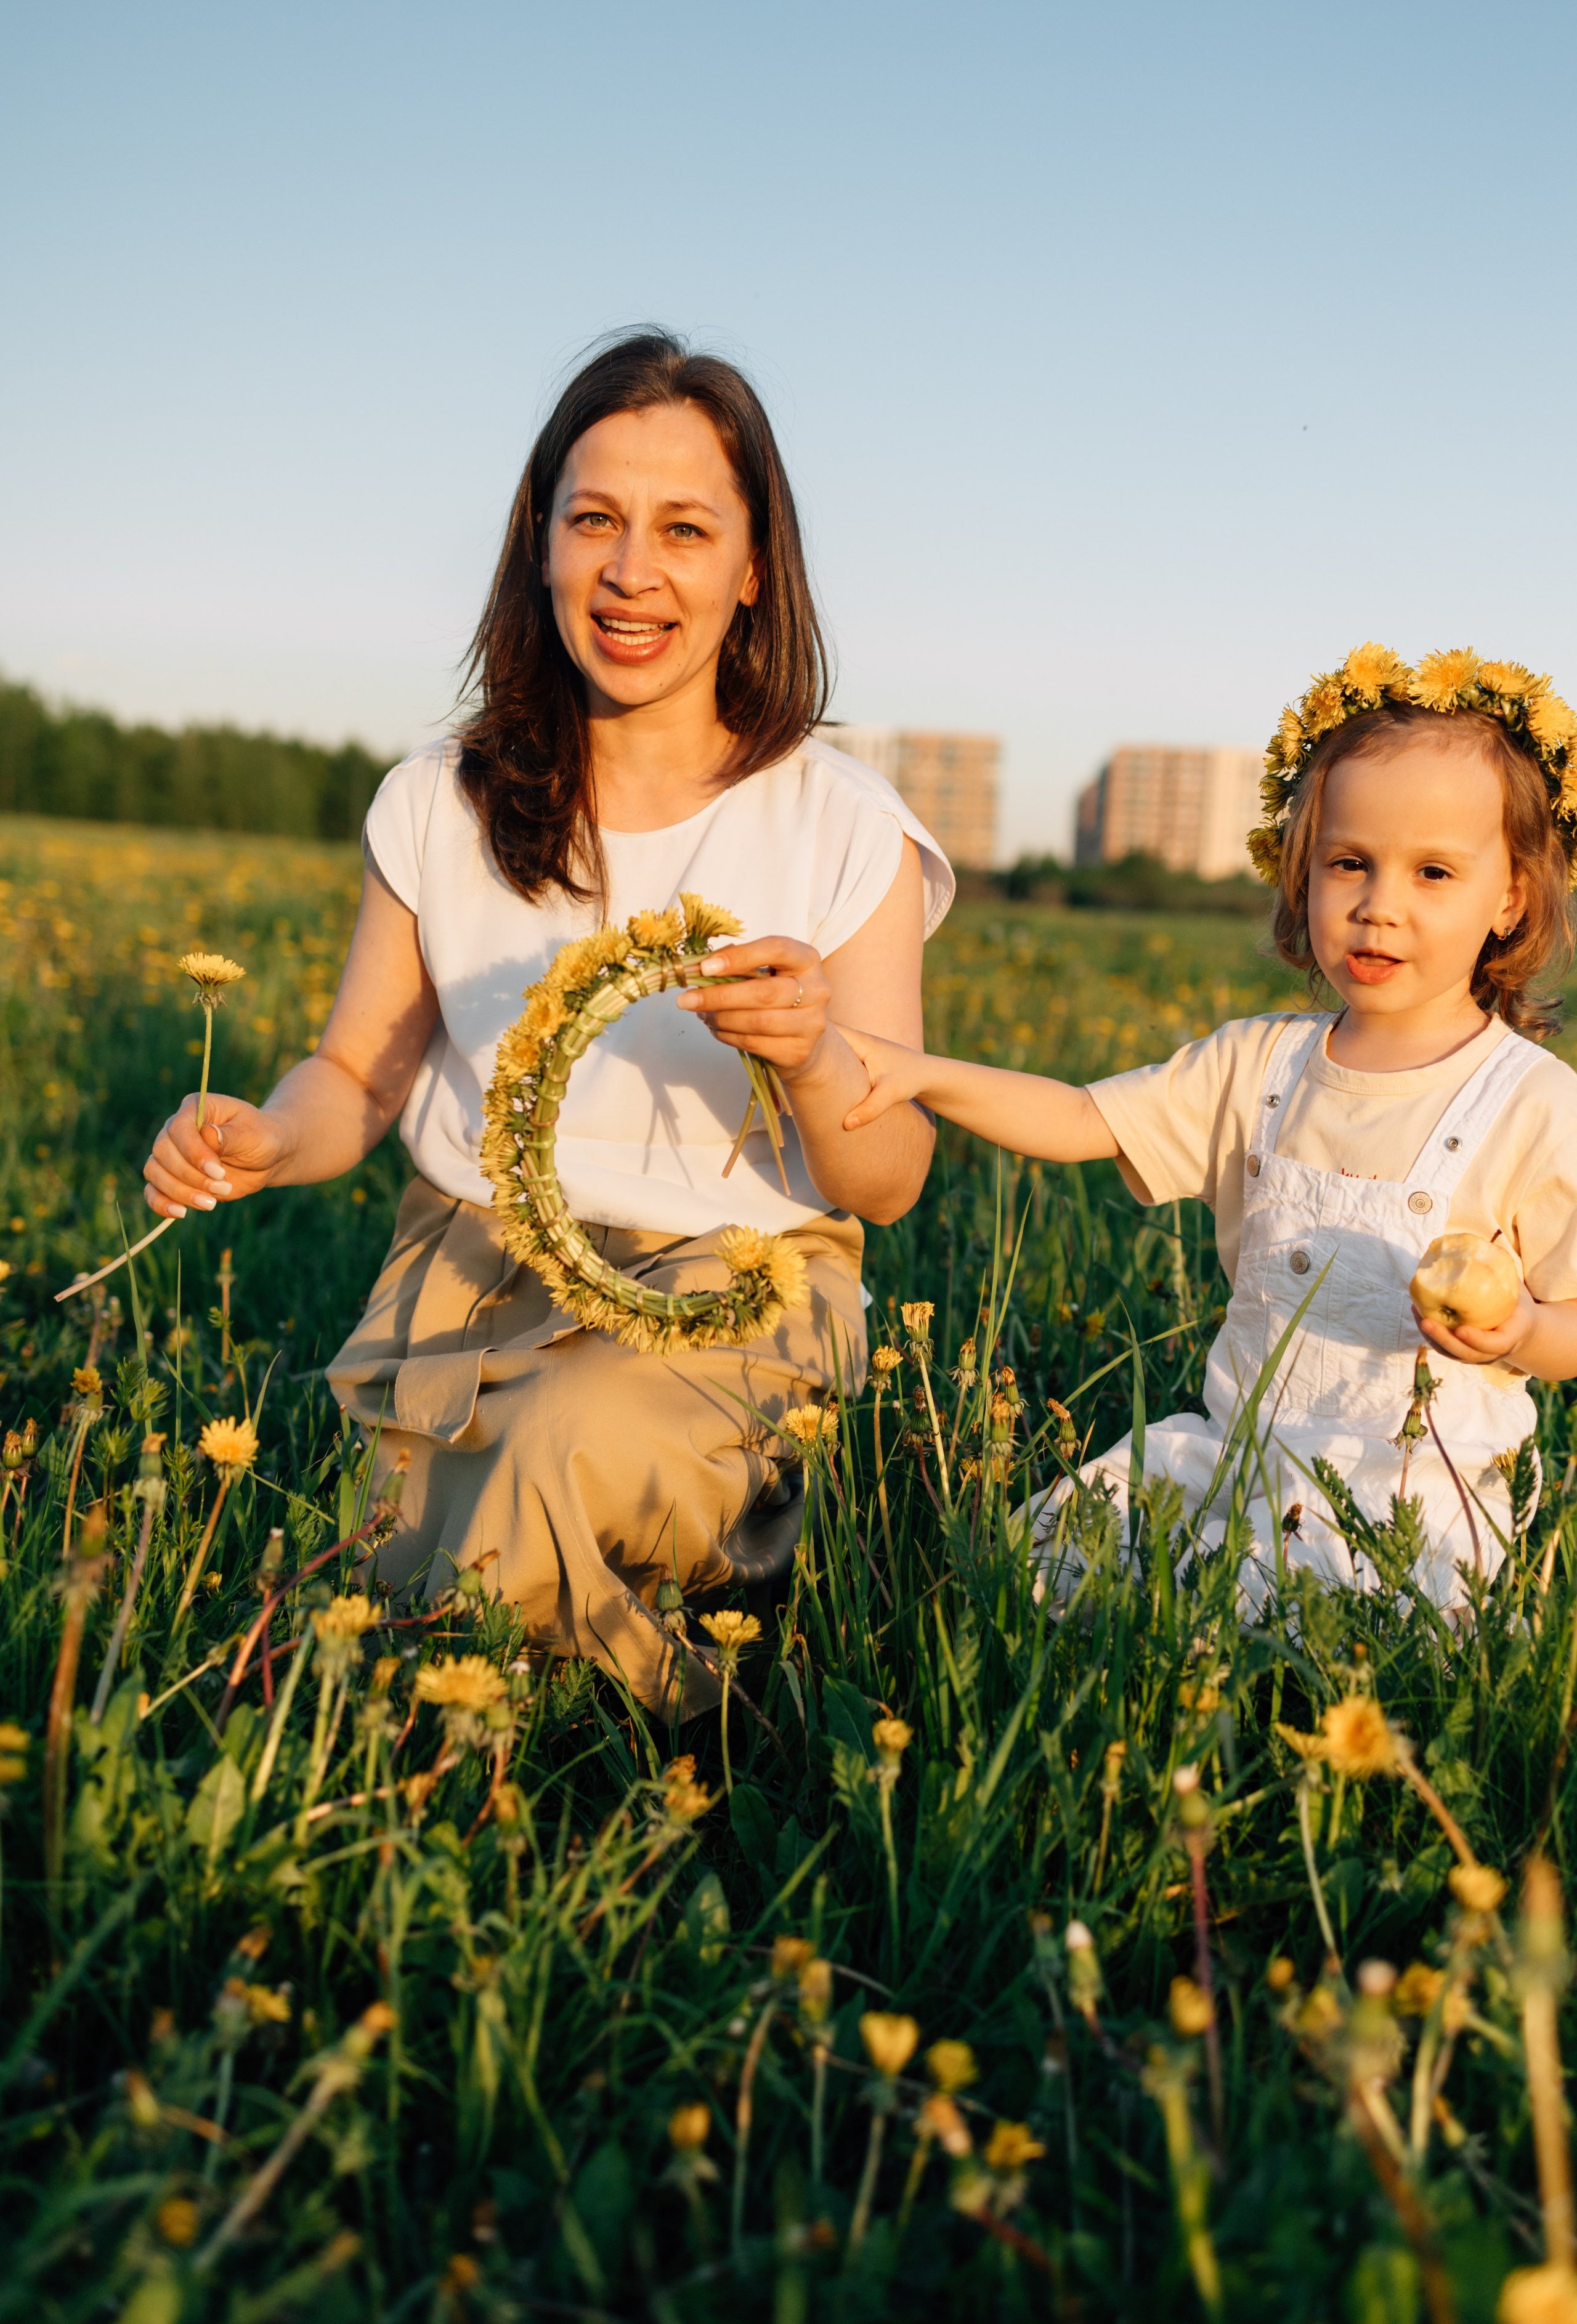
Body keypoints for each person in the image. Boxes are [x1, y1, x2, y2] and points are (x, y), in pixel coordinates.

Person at [140, 330, 951, 1715]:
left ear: (754, 568)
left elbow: (888, 1179)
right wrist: (267, 1135)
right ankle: (634, 1631)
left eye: (685, 529)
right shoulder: (440, 800)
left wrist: (817, 1060)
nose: (632, 571)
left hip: (734, 1285)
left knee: (544, 1454)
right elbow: (355, 1073)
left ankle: (600, 1710)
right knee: (429, 1523)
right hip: (476, 1264)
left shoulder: (843, 827)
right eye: (593, 522)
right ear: (541, 545)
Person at [837, 646, 1577, 1609]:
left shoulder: (1532, 1104)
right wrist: (924, 1073)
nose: (1378, 906)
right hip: (1237, 1452)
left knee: (1276, 1603)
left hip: (1408, 1496)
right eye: (1347, 863)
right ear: (1302, 874)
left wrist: (1525, 1329)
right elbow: (1081, 1118)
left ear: (1511, 896)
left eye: (1433, 872)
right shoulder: (1259, 1066)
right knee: (1041, 1554)